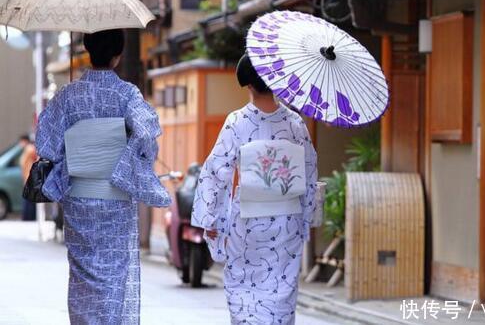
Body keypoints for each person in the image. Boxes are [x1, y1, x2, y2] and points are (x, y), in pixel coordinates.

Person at [35, 29, 171, 324]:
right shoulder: (127, 94)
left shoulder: (69, 95)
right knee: (114, 274)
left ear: (87, 49)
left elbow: (47, 144)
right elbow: (147, 134)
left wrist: (75, 144)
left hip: (78, 197)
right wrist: (127, 158)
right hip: (115, 196)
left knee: (83, 273)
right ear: (117, 55)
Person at [191, 54, 318, 324]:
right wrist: (306, 218)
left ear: (248, 84)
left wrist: (212, 218)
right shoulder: (296, 124)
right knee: (280, 293)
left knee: (245, 291)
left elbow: (217, 172)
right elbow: (309, 173)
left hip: (247, 224)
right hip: (286, 223)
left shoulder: (237, 122)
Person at [18, 134, 37, 221]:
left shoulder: (30, 149)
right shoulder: (28, 149)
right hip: (28, 177)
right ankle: (29, 217)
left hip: (30, 177)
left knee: (29, 199)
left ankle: (28, 217)